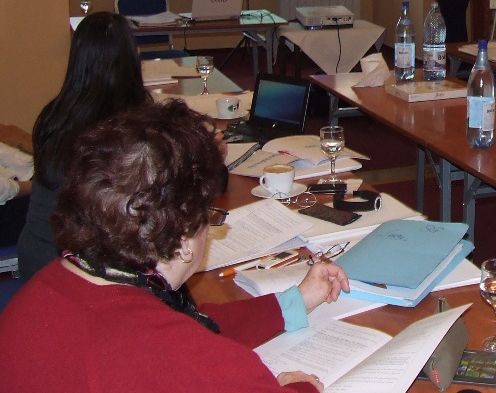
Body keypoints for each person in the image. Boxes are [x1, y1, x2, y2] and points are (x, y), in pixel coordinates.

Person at [0, 100, 350, 392]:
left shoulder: (50, 289)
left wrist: (295, 302)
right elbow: (184, 348)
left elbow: (193, 324)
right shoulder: (171, 355)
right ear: (183, 238)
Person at [17, 11, 150, 280]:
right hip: (76, 266)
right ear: (131, 58)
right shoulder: (126, 125)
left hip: (36, 255)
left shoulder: (54, 114)